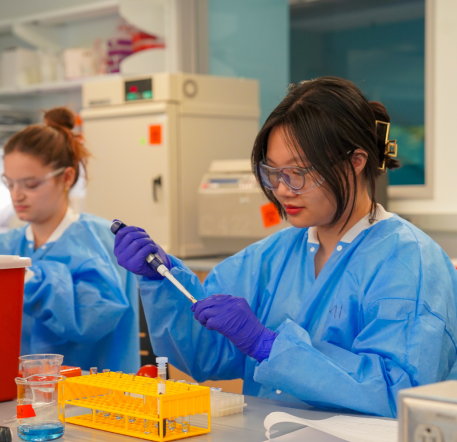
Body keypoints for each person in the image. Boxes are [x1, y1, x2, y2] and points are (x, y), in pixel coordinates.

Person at [113, 77, 457, 417]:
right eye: (272, 173)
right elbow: (205, 353)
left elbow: (401, 392)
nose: (282, 189)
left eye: (297, 173)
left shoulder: (410, 262)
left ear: (356, 161)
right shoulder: (268, 258)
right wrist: (162, 278)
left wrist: (270, 346)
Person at [0, 107, 140, 373]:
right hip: (13, 397)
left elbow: (91, 318)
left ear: (66, 177)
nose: (17, 196)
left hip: (92, 401)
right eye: (10, 183)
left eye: (30, 185)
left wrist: (26, 279)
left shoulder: (99, 243)